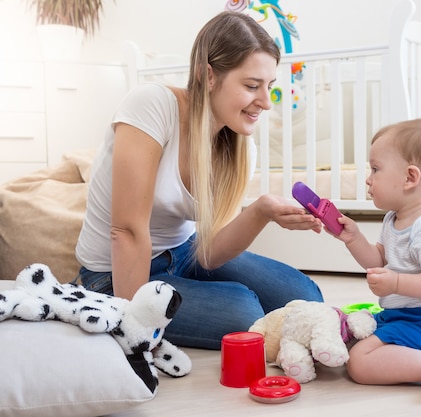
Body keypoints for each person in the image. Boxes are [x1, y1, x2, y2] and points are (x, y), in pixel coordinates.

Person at [74, 11, 324, 350]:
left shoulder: (240, 147)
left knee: (304, 296)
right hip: (114, 275)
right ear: (208, 75)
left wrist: (261, 211)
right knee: (243, 310)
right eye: (252, 86)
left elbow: (209, 254)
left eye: (269, 87)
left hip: (185, 255)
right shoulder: (153, 106)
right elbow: (127, 231)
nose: (265, 102)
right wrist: (132, 324)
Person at [328, 119, 421, 404]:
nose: (368, 178)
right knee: (348, 335)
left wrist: (396, 283)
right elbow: (378, 260)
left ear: (409, 178)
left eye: (375, 169)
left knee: (359, 362)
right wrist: (354, 239)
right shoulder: (395, 218)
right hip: (404, 318)